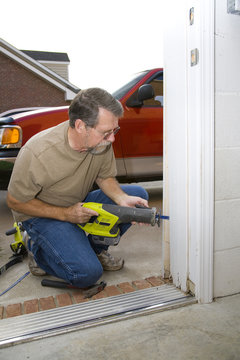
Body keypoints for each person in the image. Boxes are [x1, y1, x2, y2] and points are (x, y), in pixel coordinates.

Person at [7, 88, 149, 288]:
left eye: (114, 130)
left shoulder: (101, 143)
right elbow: (15, 201)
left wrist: (120, 198)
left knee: (136, 196)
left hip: (77, 203)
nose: (112, 139)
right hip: (43, 214)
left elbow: (104, 176)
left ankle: (94, 250)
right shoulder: (37, 151)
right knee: (86, 274)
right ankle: (38, 250)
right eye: (106, 132)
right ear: (81, 126)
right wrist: (65, 214)